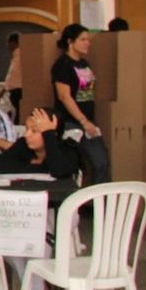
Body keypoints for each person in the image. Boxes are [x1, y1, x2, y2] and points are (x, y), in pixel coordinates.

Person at [0, 108, 82, 290]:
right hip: (24, 212)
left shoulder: (67, 148)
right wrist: (38, 167)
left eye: (36, 130)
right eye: (27, 129)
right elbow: (0, 167)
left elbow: (61, 171)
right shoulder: (23, 146)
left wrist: (49, 137)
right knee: (7, 238)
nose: (28, 135)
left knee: (39, 236)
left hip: (58, 213)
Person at [52, 23, 111, 184]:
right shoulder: (62, 65)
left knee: (102, 162)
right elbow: (64, 96)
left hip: (88, 119)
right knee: (75, 165)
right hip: (72, 121)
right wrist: (83, 121)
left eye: (88, 40)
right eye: (83, 39)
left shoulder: (84, 63)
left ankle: (101, 198)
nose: (87, 43)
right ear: (71, 42)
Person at [5, 32, 23, 117]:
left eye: (8, 43)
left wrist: (3, 90)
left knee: (18, 114)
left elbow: (12, 76)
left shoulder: (20, 56)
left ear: (13, 43)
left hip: (18, 90)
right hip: (17, 90)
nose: (7, 45)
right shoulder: (17, 56)